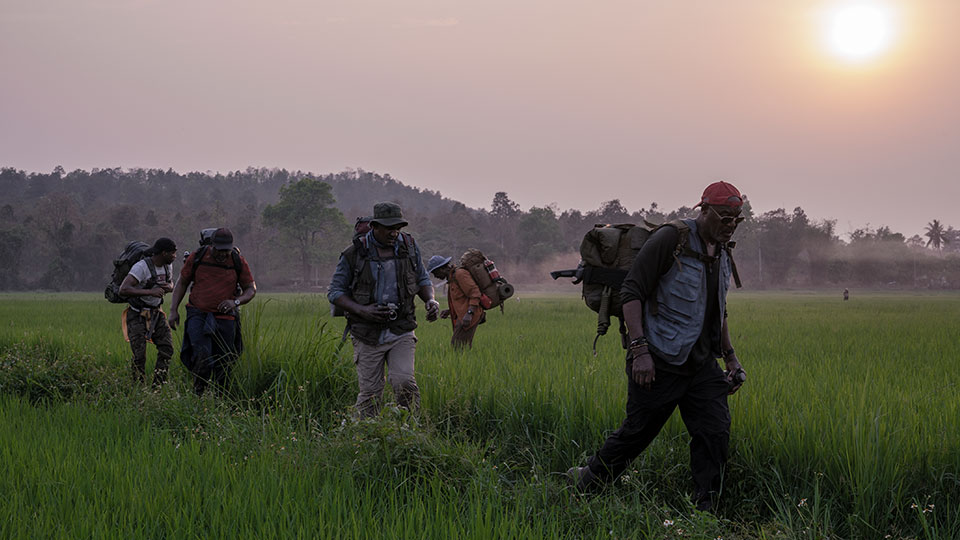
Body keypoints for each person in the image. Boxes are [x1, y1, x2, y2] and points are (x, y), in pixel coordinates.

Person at [567, 181, 747, 512]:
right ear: (703, 210)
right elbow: (632, 291)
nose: (730, 225)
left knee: (715, 434)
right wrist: (640, 352)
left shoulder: (723, 250)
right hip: (659, 359)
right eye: (724, 217)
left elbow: (718, 308)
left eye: (737, 219)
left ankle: (706, 510)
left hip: (702, 365)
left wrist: (731, 359)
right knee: (636, 434)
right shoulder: (671, 238)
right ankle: (585, 483)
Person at [328, 202, 440, 418]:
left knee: (404, 381)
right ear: (374, 226)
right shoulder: (354, 253)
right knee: (370, 393)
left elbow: (422, 278)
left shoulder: (408, 246)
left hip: (402, 328)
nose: (394, 232)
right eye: (389, 228)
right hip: (366, 333)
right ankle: (366, 437)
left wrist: (431, 301)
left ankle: (410, 430)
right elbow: (335, 292)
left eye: (397, 227)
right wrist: (362, 310)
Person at [168, 228, 256, 396]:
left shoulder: (237, 261)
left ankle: (221, 397)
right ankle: (198, 394)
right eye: (218, 250)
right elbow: (182, 283)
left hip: (226, 318)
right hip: (198, 314)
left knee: (225, 360)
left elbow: (250, 289)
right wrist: (173, 310)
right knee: (202, 355)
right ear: (212, 246)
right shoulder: (198, 257)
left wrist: (235, 302)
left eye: (226, 250)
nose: (222, 254)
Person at [118, 237, 178, 387]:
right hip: (137, 314)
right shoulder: (141, 267)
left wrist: (168, 287)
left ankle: (158, 387)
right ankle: (138, 388)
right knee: (139, 356)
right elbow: (123, 289)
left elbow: (171, 283)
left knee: (167, 349)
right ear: (164, 253)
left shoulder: (167, 266)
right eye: (172, 253)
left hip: (157, 313)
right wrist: (150, 292)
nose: (175, 256)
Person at [427, 255, 485, 349]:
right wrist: (449, 311)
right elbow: (462, 299)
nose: (435, 276)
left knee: (458, 348)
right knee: (460, 348)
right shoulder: (452, 279)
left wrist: (469, 313)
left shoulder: (460, 274)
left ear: (442, 268)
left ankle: (463, 363)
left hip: (468, 316)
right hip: (463, 316)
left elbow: (475, 293)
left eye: (435, 272)